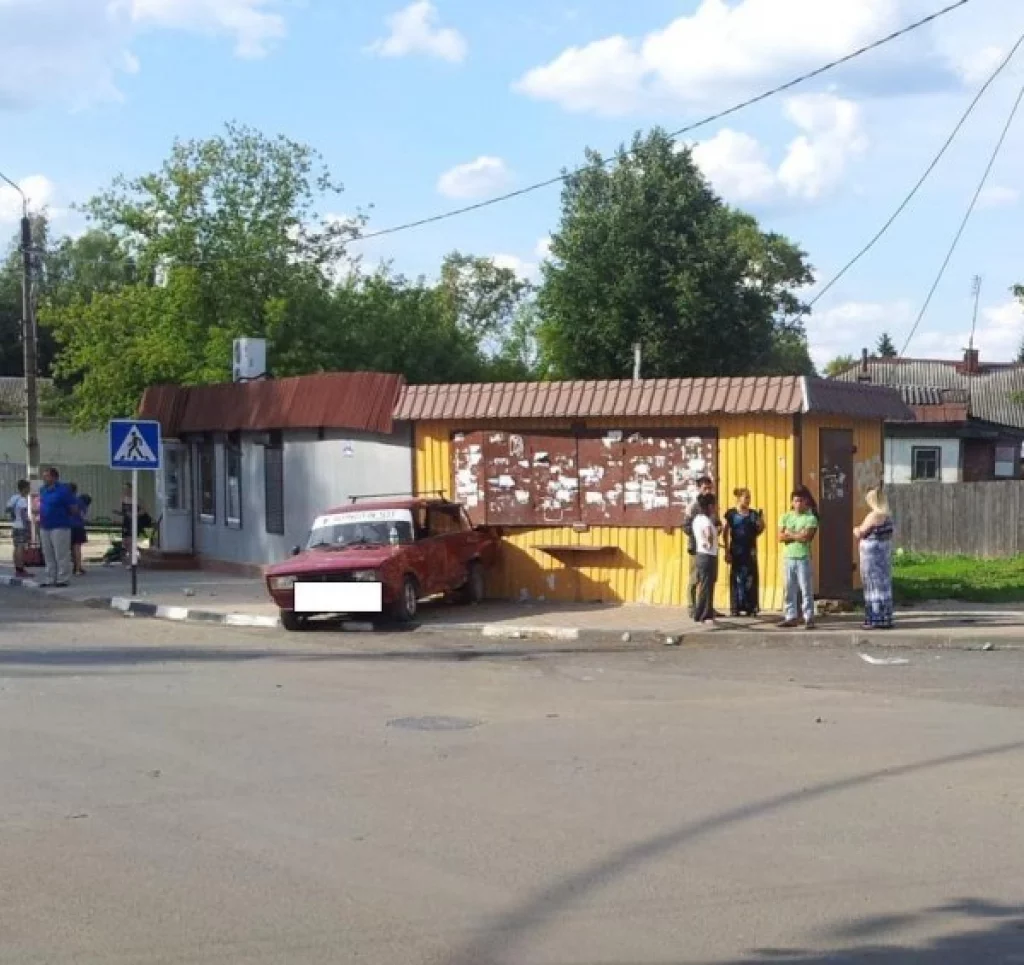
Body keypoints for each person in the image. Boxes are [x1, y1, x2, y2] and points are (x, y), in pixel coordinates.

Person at [855, 486, 895, 630]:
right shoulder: (887, 516)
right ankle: (885, 617)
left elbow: (861, 532)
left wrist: (855, 529)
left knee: (872, 586)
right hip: (883, 554)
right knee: (883, 585)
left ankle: (874, 618)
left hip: (871, 556)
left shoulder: (873, 516)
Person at [779, 488, 819, 629]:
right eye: (796, 501)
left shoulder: (810, 518)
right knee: (789, 589)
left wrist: (790, 533)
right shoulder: (785, 517)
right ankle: (791, 616)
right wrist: (798, 534)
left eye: (801, 501)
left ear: (805, 502)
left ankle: (808, 617)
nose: (798, 504)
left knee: (805, 589)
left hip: (803, 557)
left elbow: (806, 537)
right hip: (788, 557)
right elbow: (780, 537)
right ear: (792, 502)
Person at [724, 488, 765, 617]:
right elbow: (725, 532)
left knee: (751, 578)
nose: (748, 500)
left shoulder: (753, 514)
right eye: (746, 497)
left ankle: (751, 607)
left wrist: (761, 522)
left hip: (750, 551)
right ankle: (735, 607)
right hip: (737, 550)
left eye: (749, 497)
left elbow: (759, 530)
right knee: (736, 578)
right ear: (739, 498)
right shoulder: (731, 514)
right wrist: (727, 551)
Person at [682, 476, 718, 618]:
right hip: (698, 548)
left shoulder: (712, 504)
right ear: (699, 488)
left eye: (710, 488)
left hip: (711, 549)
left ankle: (707, 608)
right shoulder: (693, 506)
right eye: (705, 488)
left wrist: (718, 527)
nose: (708, 491)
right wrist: (700, 535)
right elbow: (686, 527)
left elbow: (716, 522)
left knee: (710, 579)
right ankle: (692, 607)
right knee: (695, 578)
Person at [38, 467, 77, 587]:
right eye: (44, 476)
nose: (44, 478)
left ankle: (63, 578)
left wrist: (63, 516)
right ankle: (50, 578)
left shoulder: (63, 490)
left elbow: (73, 508)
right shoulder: (43, 490)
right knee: (48, 554)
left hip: (60, 526)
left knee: (61, 554)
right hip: (45, 526)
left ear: (54, 477)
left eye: (47, 476)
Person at [691, 492, 720, 626]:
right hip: (707, 556)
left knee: (705, 585)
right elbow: (708, 533)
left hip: (702, 555)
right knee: (707, 586)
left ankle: (701, 614)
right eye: (714, 505)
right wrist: (709, 542)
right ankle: (704, 614)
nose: (716, 507)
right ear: (709, 506)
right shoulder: (706, 520)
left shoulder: (697, 519)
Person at [113, 482, 150, 567]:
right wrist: (117, 515)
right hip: (126, 522)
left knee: (131, 541)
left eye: (127, 489)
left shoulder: (137, 499)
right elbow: (122, 511)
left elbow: (144, 510)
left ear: (131, 489)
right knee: (125, 542)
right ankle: (136, 555)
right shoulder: (123, 499)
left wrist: (135, 514)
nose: (126, 491)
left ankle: (133, 562)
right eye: (124, 489)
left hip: (135, 521)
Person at [7, 479, 31, 578]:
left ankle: (17, 568)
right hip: (21, 526)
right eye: (28, 488)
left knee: (16, 547)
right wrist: (27, 527)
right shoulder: (22, 500)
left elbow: (7, 509)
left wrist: (13, 517)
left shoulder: (14, 497)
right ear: (24, 488)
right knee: (20, 548)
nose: (29, 490)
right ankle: (21, 569)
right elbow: (23, 514)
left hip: (14, 526)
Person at [69, 483, 92, 576]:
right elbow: (83, 516)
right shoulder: (82, 504)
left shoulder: (70, 500)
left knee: (72, 548)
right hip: (79, 526)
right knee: (77, 548)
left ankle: (76, 567)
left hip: (69, 526)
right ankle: (78, 567)